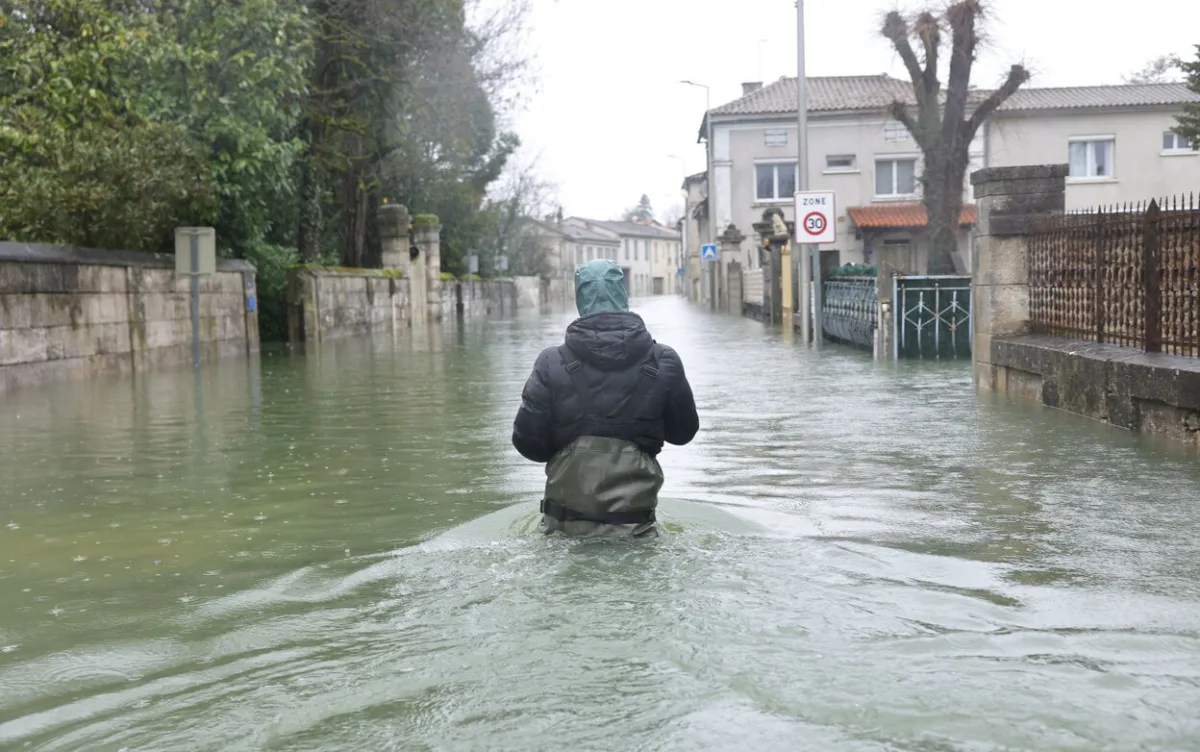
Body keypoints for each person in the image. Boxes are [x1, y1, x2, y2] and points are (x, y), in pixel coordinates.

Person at [511, 259, 699, 539]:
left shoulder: (550, 362)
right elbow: (683, 433)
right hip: (636, 529)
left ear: (580, 299)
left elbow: (528, 444)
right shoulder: (664, 361)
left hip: (563, 532)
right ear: (623, 295)